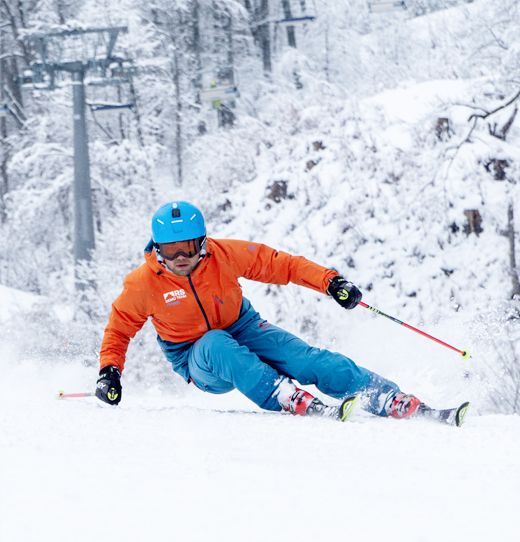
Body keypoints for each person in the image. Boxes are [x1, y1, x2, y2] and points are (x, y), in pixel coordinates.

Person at [95, 201, 422, 421]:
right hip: (197, 358)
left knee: (305, 359)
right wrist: (110, 371)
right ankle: (282, 394)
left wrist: (330, 281)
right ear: (157, 248)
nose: (180, 257)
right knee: (215, 343)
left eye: (188, 248)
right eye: (170, 249)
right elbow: (119, 327)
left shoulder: (224, 255)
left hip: (243, 325)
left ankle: (384, 396)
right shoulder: (143, 283)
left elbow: (280, 264)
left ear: (202, 243)